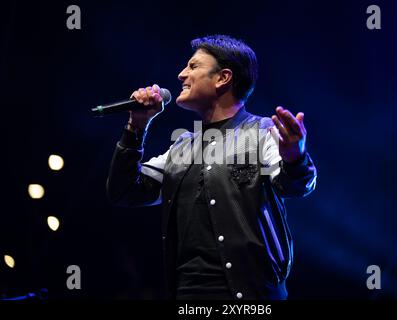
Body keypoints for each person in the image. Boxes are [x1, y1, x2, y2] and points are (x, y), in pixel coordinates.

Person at [106, 35, 317, 300]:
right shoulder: (182, 147)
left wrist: (295, 158)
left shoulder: (262, 132)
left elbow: (296, 185)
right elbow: (124, 191)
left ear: (223, 78)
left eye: (193, 67)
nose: (182, 74)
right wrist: (136, 127)